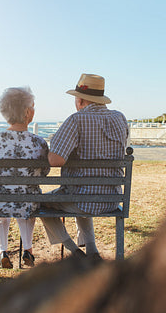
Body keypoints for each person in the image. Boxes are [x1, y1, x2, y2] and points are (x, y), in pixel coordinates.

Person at [41, 73, 129, 260]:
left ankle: (75, 253)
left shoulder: (76, 120)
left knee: (39, 203)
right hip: (112, 198)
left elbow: (55, 160)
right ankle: (92, 251)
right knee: (82, 192)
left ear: (80, 99)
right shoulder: (120, 118)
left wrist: (50, 145)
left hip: (83, 200)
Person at [0, 86, 49, 268]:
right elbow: (44, 172)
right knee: (25, 204)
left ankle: (3, 251)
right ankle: (27, 250)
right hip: (26, 200)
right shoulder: (39, 142)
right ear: (28, 112)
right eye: (33, 106)